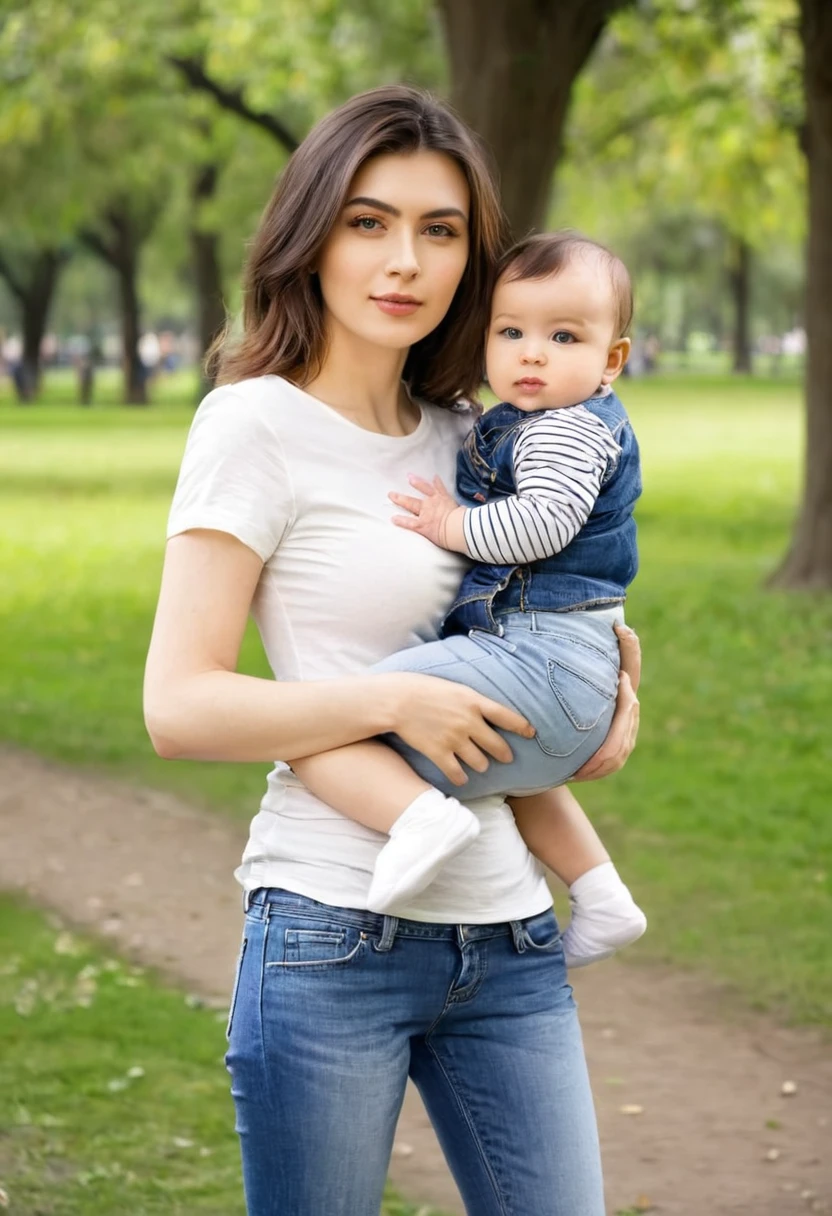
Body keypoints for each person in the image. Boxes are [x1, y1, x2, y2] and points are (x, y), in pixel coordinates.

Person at [144, 85, 641, 1216]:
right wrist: (400, 705)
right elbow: (178, 704)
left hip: (509, 935)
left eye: (440, 229)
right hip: (332, 932)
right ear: (310, 234)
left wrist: (619, 690)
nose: (403, 259)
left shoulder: (479, 432)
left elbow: (564, 603)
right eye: (368, 221)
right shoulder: (253, 423)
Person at [290, 230, 647, 969]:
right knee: (489, 757)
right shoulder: (529, 422)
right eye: (510, 331)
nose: (532, 353)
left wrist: (449, 523)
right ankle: (603, 893)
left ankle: (420, 820)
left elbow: (541, 523)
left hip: (545, 659)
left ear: (612, 359)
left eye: (563, 336)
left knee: (335, 715)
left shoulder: (566, 433)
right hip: (563, 668)